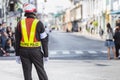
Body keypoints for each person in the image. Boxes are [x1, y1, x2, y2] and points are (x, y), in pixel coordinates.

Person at [15, 3, 48, 80]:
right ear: (34, 12)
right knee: (41, 72)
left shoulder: (20, 23)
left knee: (27, 74)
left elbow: (17, 40)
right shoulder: (39, 23)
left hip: (23, 51)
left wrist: (17, 54)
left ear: (25, 13)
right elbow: (44, 40)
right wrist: (46, 55)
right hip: (36, 51)